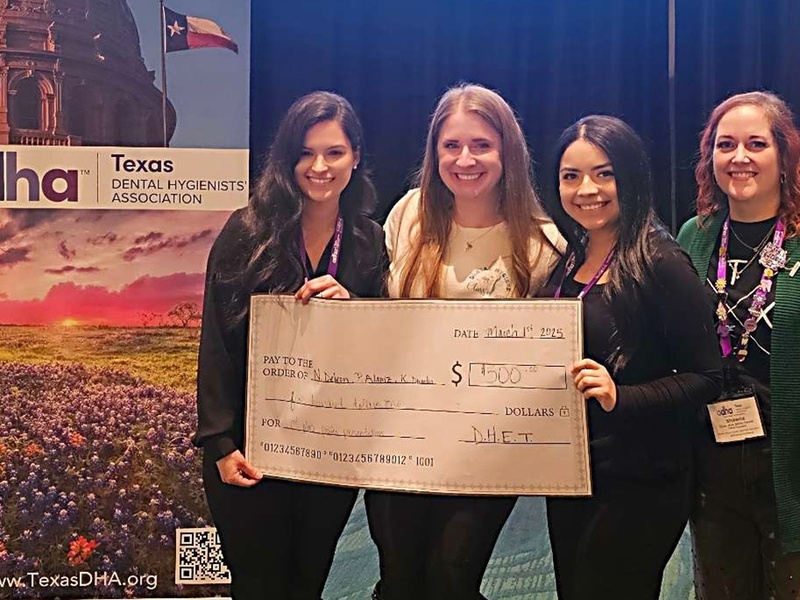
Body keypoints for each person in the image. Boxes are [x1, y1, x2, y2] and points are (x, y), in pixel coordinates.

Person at [364, 83, 562, 600]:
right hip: (397, 436)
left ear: (508, 153)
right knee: (399, 578)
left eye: (481, 145)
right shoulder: (407, 215)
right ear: (434, 154)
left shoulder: (543, 245)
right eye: (451, 146)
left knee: (453, 578)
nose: (465, 159)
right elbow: (373, 311)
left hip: (486, 448)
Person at [193, 91, 387, 600]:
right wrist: (220, 444)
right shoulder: (248, 230)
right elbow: (216, 342)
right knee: (259, 587)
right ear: (285, 159)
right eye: (305, 153)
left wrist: (357, 310)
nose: (319, 167)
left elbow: (381, 354)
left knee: (307, 585)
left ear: (357, 156)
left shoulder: (369, 242)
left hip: (329, 454)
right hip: (250, 452)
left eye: (334, 152)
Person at [540, 115, 722, 599]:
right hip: (574, 472)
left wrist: (622, 395)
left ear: (632, 176)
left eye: (605, 173)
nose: (587, 189)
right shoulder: (567, 259)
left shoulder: (659, 261)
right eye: (571, 176)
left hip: (642, 476)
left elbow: (707, 376)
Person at [677, 90, 800, 600]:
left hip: (789, 456)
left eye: (756, 143)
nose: (740, 157)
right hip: (714, 456)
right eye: (726, 144)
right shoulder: (695, 237)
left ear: (783, 157)